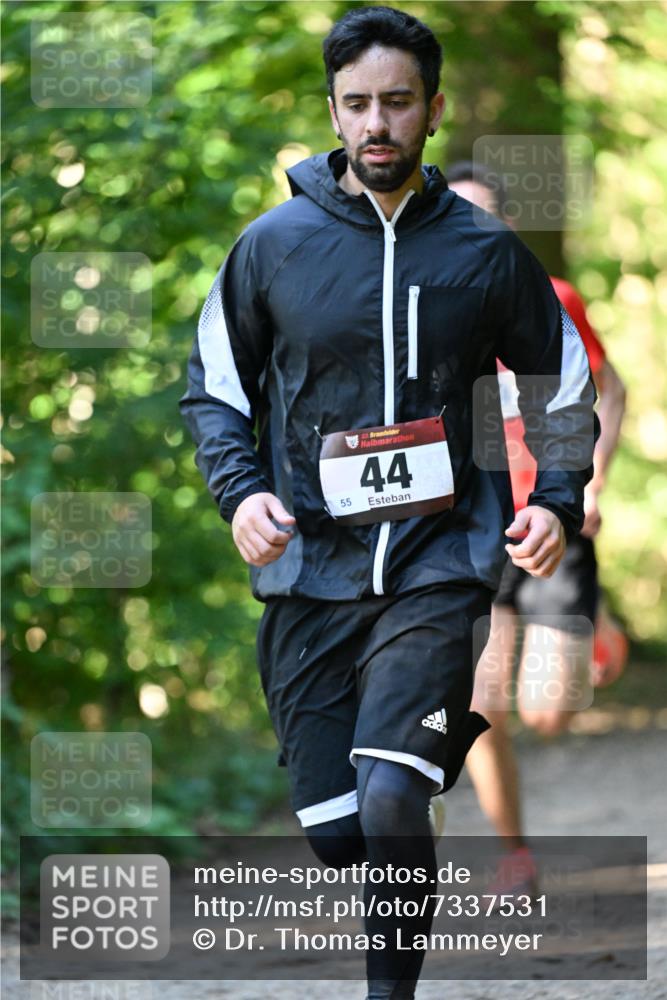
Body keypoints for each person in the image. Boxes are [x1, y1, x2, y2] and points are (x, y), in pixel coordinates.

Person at [180, 8, 598, 997]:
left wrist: (556, 498)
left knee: (389, 799)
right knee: (339, 834)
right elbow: (215, 388)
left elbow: (562, 379)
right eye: (358, 103)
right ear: (332, 110)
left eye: (398, 102)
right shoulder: (271, 246)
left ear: (432, 109)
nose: (377, 123)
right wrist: (240, 495)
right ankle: (423, 764)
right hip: (310, 568)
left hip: (441, 560)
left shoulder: (483, 250)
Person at [446, 161, 626, 891]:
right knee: (481, 706)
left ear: (508, 226)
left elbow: (610, 390)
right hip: (474, 529)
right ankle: (515, 852)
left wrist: (594, 480)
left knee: (546, 713)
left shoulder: (554, 299)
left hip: (552, 519)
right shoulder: (426, 314)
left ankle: (599, 623)